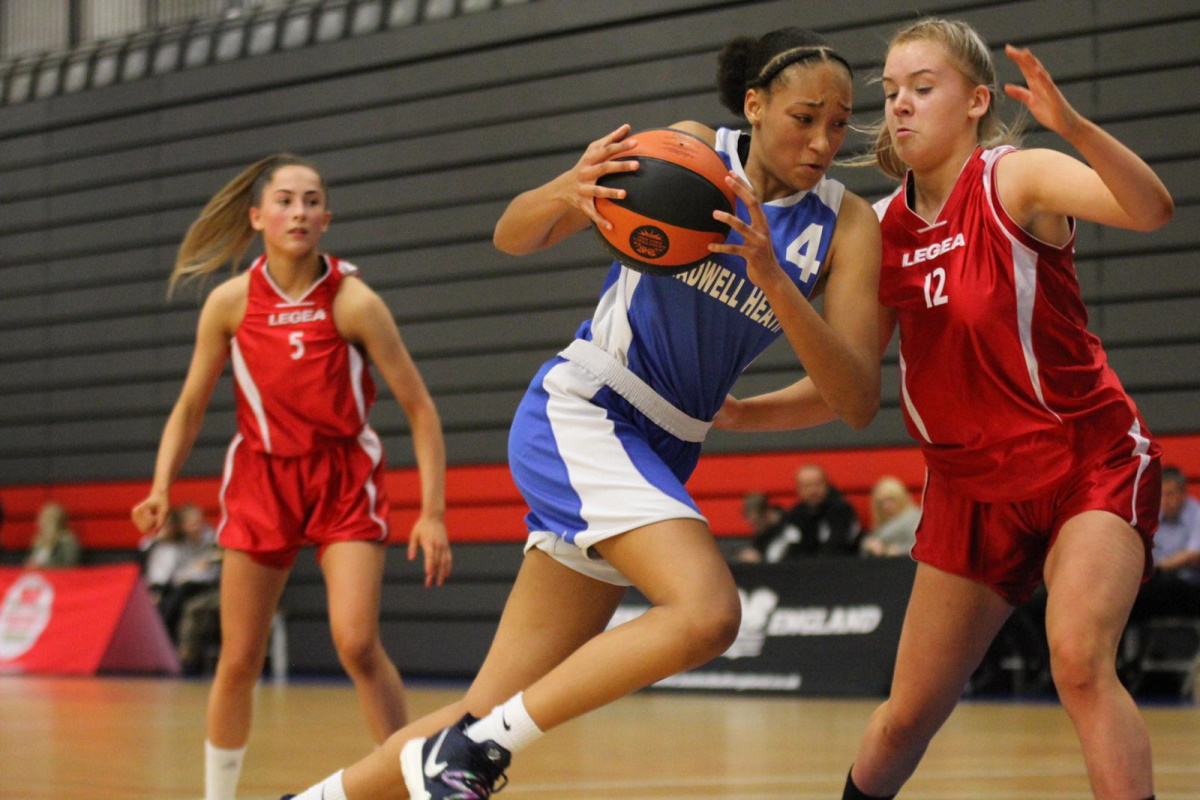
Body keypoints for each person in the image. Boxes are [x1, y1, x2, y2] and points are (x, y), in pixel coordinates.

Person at [281, 27, 881, 800]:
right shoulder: (688, 154)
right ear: (756, 105)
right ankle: (477, 751)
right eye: (805, 118)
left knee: (479, 705)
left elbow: (853, 398)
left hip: (667, 446)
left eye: (839, 123)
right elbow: (513, 236)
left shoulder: (846, 225)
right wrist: (568, 188)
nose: (824, 141)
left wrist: (766, 306)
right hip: (588, 411)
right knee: (708, 612)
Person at [836, 18, 1173, 800]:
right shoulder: (878, 230)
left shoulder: (1015, 178)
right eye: (891, 92)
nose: (900, 105)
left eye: (923, 88)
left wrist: (1075, 128)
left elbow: (1151, 210)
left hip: (1084, 461)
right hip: (969, 490)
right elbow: (845, 385)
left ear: (977, 100)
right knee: (903, 720)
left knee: (1079, 662)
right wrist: (734, 413)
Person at [130, 153, 453, 800]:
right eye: (284, 200)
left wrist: (433, 512)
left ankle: (411, 784)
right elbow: (190, 405)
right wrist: (161, 485)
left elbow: (420, 409)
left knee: (356, 643)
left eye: (311, 201)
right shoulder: (230, 303)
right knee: (238, 659)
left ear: (326, 218)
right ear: (257, 218)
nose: (298, 212)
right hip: (261, 477)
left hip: (342, 476)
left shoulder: (355, 302)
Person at [787, 463, 862, 556]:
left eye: (817, 485)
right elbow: (792, 548)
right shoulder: (795, 515)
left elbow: (839, 545)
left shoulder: (842, 511)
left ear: (826, 485)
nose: (812, 491)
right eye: (806, 486)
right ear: (798, 489)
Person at [859, 475, 919, 557]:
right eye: (881, 503)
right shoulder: (881, 524)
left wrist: (900, 550)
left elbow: (921, 546)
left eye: (890, 500)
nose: (885, 506)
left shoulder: (915, 518)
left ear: (901, 498)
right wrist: (869, 545)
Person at [735, 491, 802, 563]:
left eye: (757, 522)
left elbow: (777, 560)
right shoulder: (762, 535)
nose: (755, 527)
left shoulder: (789, 530)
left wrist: (760, 560)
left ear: (767, 513)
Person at [25, 502, 82, 569]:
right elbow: (30, 564)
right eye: (42, 519)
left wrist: (43, 567)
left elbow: (68, 566)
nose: (42, 523)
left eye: (48, 520)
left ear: (58, 522)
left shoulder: (68, 543)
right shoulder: (38, 542)